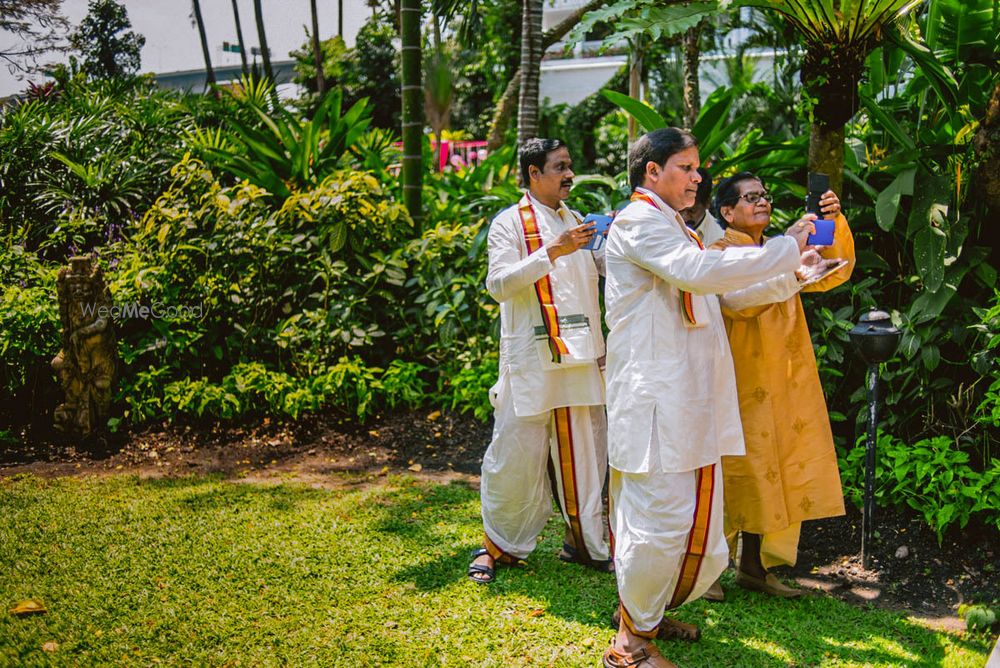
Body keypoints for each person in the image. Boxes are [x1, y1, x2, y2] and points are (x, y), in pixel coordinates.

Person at [600, 128, 816, 668]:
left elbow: (722, 297)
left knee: (687, 515)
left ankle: (646, 615)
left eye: (698, 168)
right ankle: (628, 647)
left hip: (687, 400)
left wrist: (793, 276)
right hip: (657, 401)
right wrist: (785, 246)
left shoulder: (673, 225)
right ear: (653, 171)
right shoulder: (640, 221)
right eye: (687, 167)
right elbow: (700, 275)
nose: (698, 177)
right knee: (660, 519)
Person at [467, 137, 613, 585]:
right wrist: (554, 250)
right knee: (516, 453)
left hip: (580, 357)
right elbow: (499, 285)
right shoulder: (509, 224)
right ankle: (498, 544)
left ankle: (586, 543)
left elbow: (607, 269)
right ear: (534, 174)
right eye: (560, 167)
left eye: (570, 165)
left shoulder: (577, 222)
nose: (570, 174)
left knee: (585, 452)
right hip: (531, 359)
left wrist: (617, 236)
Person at [704, 172, 853, 600]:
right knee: (734, 468)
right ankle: (711, 568)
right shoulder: (719, 252)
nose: (762, 202)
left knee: (774, 468)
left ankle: (755, 565)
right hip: (738, 377)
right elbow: (737, 302)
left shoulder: (776, 248)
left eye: (765, 195)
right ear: (727, 212)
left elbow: (830, 276)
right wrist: (787, 261)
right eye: (750, 198)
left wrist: (833, 221)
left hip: (783, 374)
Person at [680, 167, 724, 246]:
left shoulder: (718, 238)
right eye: (680, 209)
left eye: (692, 211)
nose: (684, 217)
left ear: (707, 203)